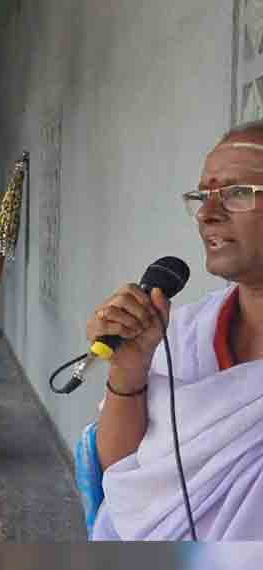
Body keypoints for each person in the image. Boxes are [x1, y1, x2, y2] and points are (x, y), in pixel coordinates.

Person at [78, 119, 263, 540]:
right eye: (202, 196)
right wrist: (129, 369)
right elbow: (120, 468)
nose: (207, 214)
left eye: (236, 193)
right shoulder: (184, 332)